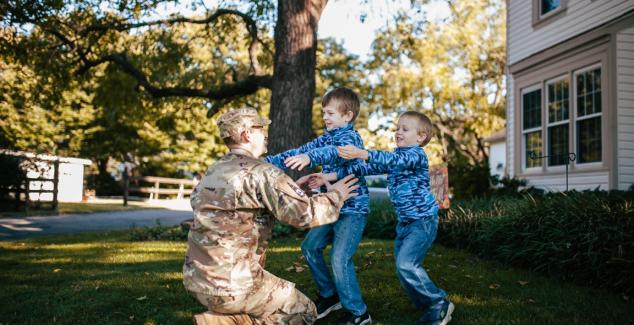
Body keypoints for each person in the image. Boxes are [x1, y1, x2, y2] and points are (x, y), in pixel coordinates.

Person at [182, 107, 360, 325]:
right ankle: (220, 322)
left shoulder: (215, 170)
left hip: (197, 280)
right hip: (235, 285)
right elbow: (304, 216)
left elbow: (245, 204)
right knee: (305, 311)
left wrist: (294, 191)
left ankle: (222, 315)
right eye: (260, 128)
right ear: (247, 134)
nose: (265, 132)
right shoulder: (263, 171)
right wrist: (337, 195)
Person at [307, 111, 454, 325]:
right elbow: (363, 169)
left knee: (406, 265)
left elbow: (389, 159)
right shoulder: (396, 158)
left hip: (423, 221)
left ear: (421, 137)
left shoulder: (415, 155)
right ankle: (429, 305)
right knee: (404, 267)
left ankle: (438, 303)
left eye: (405, 129)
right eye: (397, 128)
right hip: (406, 223)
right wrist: (327, 176)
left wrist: (361, 152)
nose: (398, 132)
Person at [266, 87, 372, 325]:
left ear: (348, 116)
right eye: (324, 112)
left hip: (352, 209)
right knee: (310, 247)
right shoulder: (327, 136)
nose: (325, 117)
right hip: (331, 207)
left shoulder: (350, 138)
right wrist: (265, 162)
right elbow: (302, 150)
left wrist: (312, 159)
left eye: (330, 113)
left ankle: (359, 313)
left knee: (339, 258)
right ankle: (330, 295)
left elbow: (335, 153)